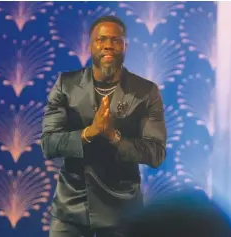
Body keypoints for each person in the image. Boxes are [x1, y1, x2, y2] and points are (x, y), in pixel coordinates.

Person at [41, 15, 167, 237]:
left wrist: (113, 136)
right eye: (101, 39)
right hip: (71, 208)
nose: (108, 45)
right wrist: (90, 132)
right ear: (90, 46)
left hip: (123, 210)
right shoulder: (66, 85)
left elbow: (156, 153)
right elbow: (49, 144)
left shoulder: (145, 92)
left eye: (116, 40)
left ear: (125, 46)